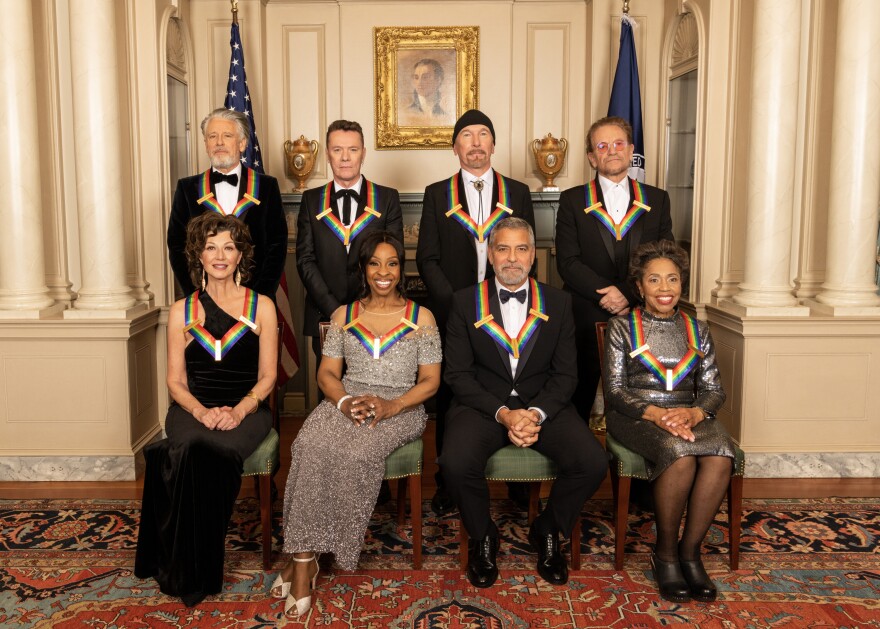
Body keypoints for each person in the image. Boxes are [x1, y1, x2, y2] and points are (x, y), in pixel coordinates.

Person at [274, 231, 441, 619]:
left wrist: (391, 405)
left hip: (401, 407)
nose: (384, 272)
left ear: (402, 268)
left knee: (356, 451)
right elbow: (328, 375)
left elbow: (430, 382)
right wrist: (347, 402)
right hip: (347, 399)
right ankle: (304, 558)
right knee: (308, 445)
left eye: (393, 263)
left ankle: (306, 561)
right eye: (374, 263)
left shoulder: (422, 318)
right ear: (363, 269)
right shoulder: (342, 316)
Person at [440, 217, 607, 588]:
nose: (511, 258)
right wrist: (503, 414)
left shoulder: (560, 303)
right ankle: (483, 536)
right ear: (491, 254)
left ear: (533, 254)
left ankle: (547, 529)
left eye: (521, 249)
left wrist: (533, 414)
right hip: (483, 406)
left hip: (542, 406)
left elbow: (566, 375)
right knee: (454, 461)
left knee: (593, 461)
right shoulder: (465, 302)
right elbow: (458, 375)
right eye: (503, 248)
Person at [135, 213, 278, 606]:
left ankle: (193, 566)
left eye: (228, 247)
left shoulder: (262, 306)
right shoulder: (181, 309)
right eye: (211, 247)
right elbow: (175, 382)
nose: (220, 255)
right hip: (190, 407)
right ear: (198, 254)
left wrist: (239, 410)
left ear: (240, 255)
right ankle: (191, 566)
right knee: (194, 448)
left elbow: (267, 378)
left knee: (208, 452)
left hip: (247, 411)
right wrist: (201, 412)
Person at [603, 240, 736, 603]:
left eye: (673, 280)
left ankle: (689, 553)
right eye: (655, 280)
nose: (665, 289)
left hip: (687, 413)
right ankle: (664, 554)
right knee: (680, 453)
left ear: (682, 285)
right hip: (636, 415)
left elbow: (714, 390)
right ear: (639, 286)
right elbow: (615, 392)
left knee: (722, 452)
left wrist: (694, 413)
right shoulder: (621, 327)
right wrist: (658, 415)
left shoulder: (699, 330)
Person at [417, 109, 535, 516]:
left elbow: (528, 256)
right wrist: (458, 308)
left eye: (483, 134)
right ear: (455, 147)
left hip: (511, 313)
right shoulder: (437, 193)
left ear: (493, 145)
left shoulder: (517, 192)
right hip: (456, 314)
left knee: (514, 387)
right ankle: (449, 482)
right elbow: (427, 258)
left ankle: (520, 481)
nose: (476, 142)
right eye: (467, 135)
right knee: (452, 393)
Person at [555, 115, 673, 419]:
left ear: (630, 149)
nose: (611, 150)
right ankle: (578, 448)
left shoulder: (657, 200)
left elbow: (663, 256)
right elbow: (568, 262)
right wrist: (605, 296)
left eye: (618, 143)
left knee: (640, 392)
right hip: (586, 310)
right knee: (578, 390)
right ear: (592, 157)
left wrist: (627, 293)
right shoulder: (571, 201)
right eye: (602, 146)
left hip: (641, 309)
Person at [296, 119, 403, 367]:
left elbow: (392, 258)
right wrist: (334, 309)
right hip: (325, 313)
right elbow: (305, 260)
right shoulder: (311, 200)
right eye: (337, 150)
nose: (345, 157)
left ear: (363, 154)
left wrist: (366, 306)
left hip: (375, 311)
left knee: (373, 385)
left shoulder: (387, 198)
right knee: (329, 391)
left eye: (352, 150)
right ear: (327, 154)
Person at [168, 108, 287, 299]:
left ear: (242, 143)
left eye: (227, 136)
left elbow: (276, 245)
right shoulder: (187, 188)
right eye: (212, 136)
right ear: (206, 144)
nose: (219, 142)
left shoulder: (267, 186)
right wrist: (197, 295)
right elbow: (176, 245)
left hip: (254, 299)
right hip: (203, 299)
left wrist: (258, 296)